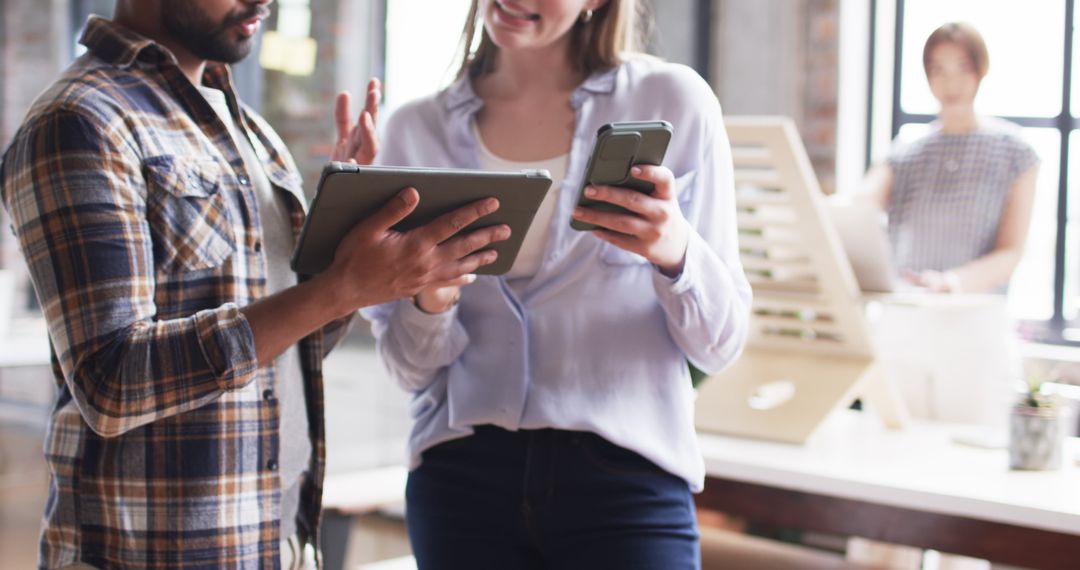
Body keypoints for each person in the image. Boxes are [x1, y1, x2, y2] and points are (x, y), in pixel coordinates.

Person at [0, 0, 509, 568]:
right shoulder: (80, 121)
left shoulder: (250, 132)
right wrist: (340, 287)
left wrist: (349, 252)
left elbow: (291, 350)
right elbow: (110, 381)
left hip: (277, 543)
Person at [361, 1, 751, 568]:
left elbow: (720, 344)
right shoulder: (414, 130)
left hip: (627, 478)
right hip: (462, 482)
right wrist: (432, 298)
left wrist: (675, 251)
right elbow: (408, 370)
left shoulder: (673, 101)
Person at [850, 22, 1040, 570]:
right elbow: (859, 206)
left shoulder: (1015, 153)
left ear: (980, 72)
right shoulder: (906, 153)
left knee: (966, 488)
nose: (950, 82)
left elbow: (1011, 251)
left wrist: (954, 281)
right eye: (938, 69)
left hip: (975, 331)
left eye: (962, 68)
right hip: (906, 328)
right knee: (888, 475)